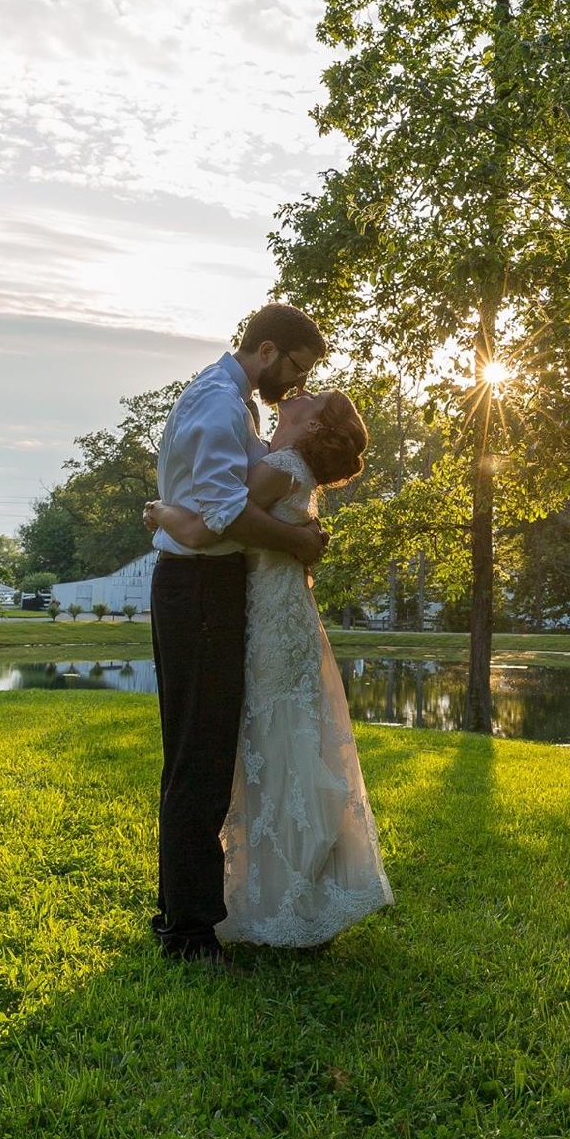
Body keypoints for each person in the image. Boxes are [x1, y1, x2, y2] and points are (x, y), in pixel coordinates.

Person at [147, 385, 394, 950]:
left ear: (312, 428)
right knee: (288, 745)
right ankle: (295, 883)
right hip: (283, 614)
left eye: (314, 395)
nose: (301, 389)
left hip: (265, 618)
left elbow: (209, 524)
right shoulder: (272, 457)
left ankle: (274, 892)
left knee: (266, 746)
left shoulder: (278, 468)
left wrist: (159, 509)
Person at [147, 303, 328, 963]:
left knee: (200, 752)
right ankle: (191, 934)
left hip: (205, 585)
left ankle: (179, 909)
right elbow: (223, 513)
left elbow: (217, 499)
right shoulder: (221, 405)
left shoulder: (232, 402)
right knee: (200, 758)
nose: (297, 383)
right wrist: (299, 543)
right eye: (297, 367)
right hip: (196, 586)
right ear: (268, 349)